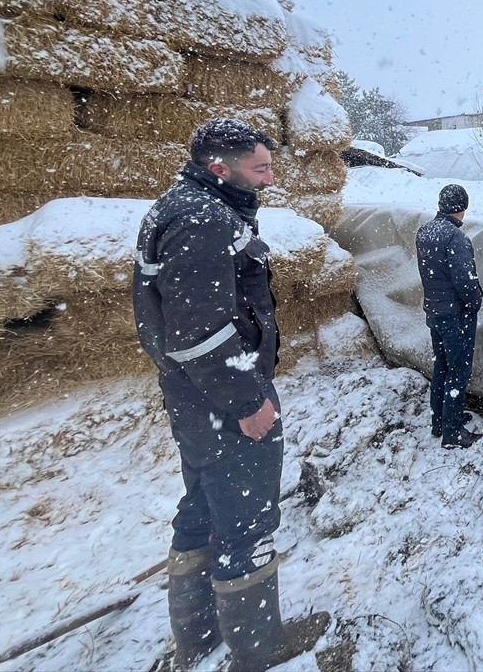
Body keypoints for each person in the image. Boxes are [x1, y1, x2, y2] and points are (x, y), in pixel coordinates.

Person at [133, 118, 328, 672]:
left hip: (194, 396)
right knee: (245, 516)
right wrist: (246, 401)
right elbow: (199, 332)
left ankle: (195, 635)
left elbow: (170, 326)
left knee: (203, 504)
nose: (269, 178)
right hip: (221, 397)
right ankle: (258, 647)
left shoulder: (184, 205)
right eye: (259, 168)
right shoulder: (201, 220)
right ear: (220, 167)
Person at [416, 183, 483, 449]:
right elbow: (464, 281)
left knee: (441, 366)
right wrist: (475, 301)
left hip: (434, 310)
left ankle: (440, 420)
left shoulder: (425, 231)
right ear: (462, 208)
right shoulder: (456, 238)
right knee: (458, 369)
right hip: (455, 315)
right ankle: (453, 431)